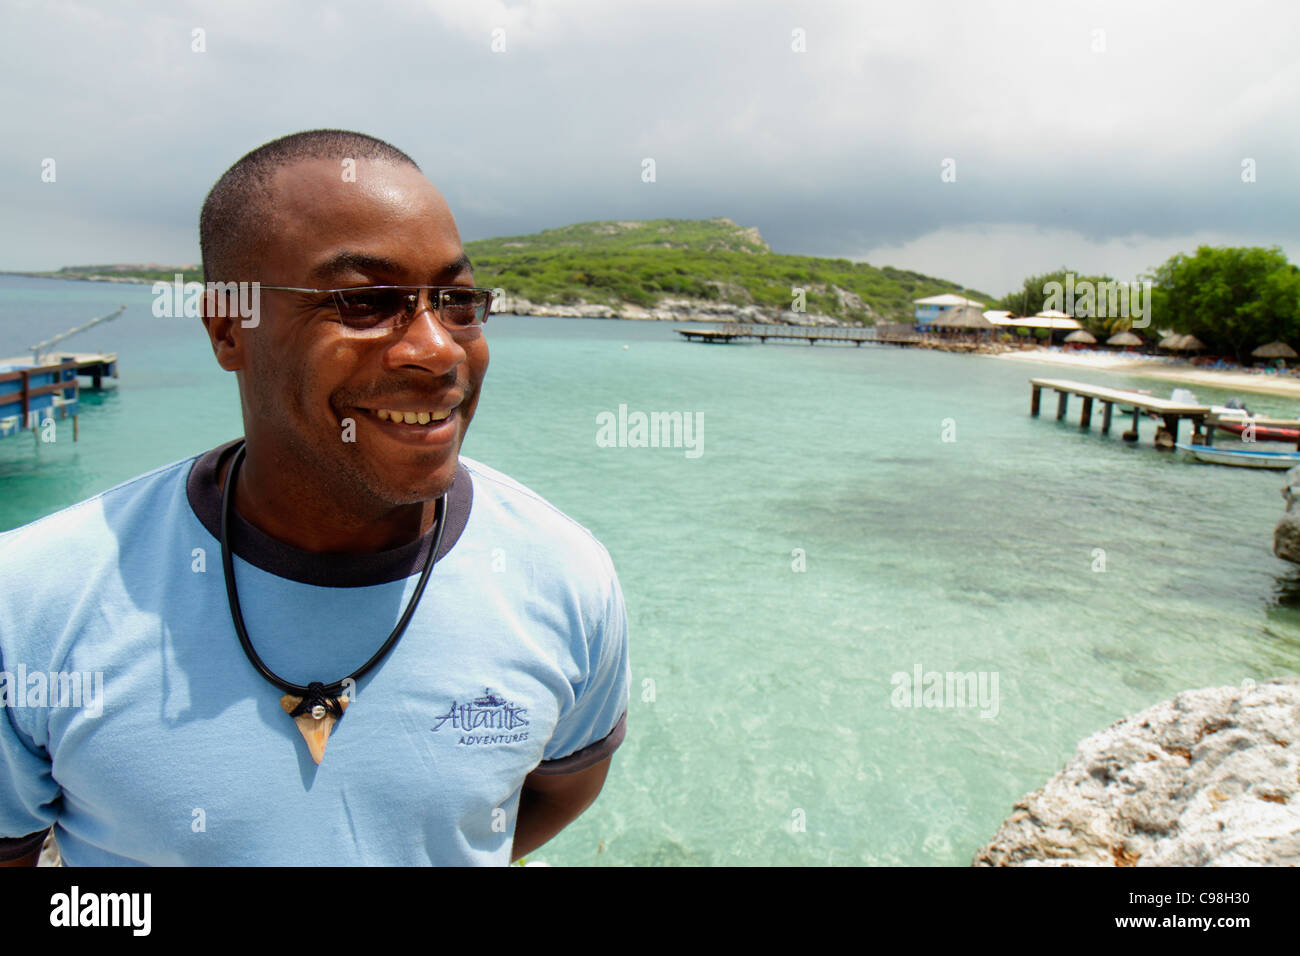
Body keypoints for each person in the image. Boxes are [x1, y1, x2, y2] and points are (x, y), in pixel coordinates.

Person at [0, 129, 630, 866]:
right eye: (365, 302)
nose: (438, 349)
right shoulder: (37, 599)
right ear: (230, 327)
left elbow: (563, 786)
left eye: (457, 301)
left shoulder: (563, 575)